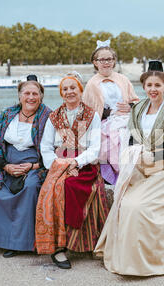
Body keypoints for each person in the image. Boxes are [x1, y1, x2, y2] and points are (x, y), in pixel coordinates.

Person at [94, 69, 164, 276]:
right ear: (144, 87)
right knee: (124, 203)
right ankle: (125, 259)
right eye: (149, 85)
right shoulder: (138, 109)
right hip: (140, 166)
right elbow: (132, 139)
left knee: (138, 207)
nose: (153, 89)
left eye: (158, 85)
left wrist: (153, 156)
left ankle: (147, 262)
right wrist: (132, 153)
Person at [36, 74, 109, 269]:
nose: (69, 92)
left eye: (73, 88)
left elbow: (95, 148)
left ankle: (75, 242)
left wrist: (76, 161)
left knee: (67, 186)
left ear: (80, 90)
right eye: (65, 89)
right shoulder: (54, 117)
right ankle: (57, 247)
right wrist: (57, 163)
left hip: (84, 164)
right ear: (61, 93)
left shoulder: (91, 115)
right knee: (52, 189)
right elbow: (46, 146)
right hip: (59, 162)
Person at [0, 78, 52, 258]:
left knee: (28, 189)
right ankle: (0, 240)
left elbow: (53, 147)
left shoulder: (48, 116)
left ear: (41, 97)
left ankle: (22, 243)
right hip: (7, 164)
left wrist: (34, 166)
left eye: (35, 94)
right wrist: (5, 166)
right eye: (26, 93)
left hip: (35, 165)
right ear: (20, 96)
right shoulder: (8, 114)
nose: (30, 97)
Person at [82, 40, 139, 185]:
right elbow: (87, 110)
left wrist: (130, 106)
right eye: (102, 59)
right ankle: (118, 174)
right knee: (114, 138)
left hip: (126, 117)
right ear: (95, 62)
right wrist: (109, 113)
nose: (106, 63)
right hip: (103, 121)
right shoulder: (92, 84)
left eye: (109, 59)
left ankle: (132, 172)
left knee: (130, 134)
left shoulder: (123, 79)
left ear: (114, 61)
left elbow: (136, 101)